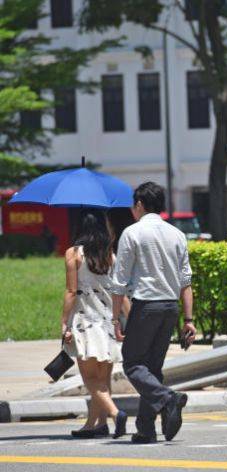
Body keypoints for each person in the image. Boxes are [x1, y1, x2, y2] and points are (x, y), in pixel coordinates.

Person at [111, 182, 195, 444]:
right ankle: (146, 427)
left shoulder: (132, 232)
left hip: (146, 305)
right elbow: (186, 282)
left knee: (133, 362)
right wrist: (189, 320)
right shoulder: (177, 234)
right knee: (152, 368)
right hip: (170, 307)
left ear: (139, 205)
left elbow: (119, 281)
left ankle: (168, 399)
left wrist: (115, 318)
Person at [61, 210, 130, 439]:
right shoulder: (110, 255)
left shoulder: (73, 254)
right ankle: (96, 424)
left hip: (85, 323)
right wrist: (129, 321)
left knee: (90, 379)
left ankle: (114, 413)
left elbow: (71, 291)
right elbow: (120, 292)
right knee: (103, 379)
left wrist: (64, 323)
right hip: (109, 323)